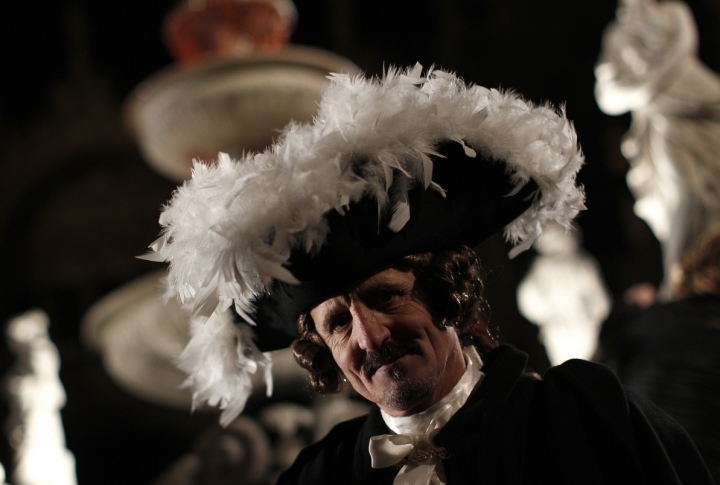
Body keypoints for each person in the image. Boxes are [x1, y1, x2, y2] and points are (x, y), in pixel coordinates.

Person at [144, 65, 713, 484]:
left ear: (448, 293)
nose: (370, 339)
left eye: (387, 297)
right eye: (339, 323)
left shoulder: (583, 419)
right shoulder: (320, 478)